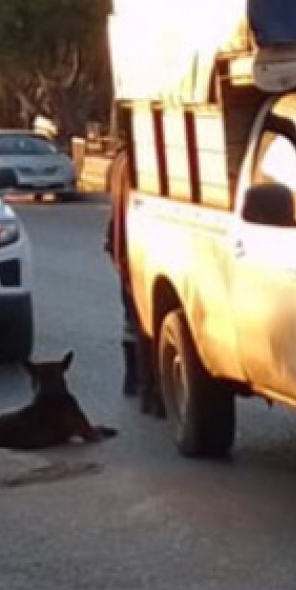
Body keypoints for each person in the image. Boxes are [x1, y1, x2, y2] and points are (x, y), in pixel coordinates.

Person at [103, 133, 162, 416]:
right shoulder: (139, 162)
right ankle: (151, 389)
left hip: (125, 251)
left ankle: (135, 379)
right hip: (139, 251)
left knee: (131, 318)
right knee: (145, 323)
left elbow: (115, 209)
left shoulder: (120, 161)